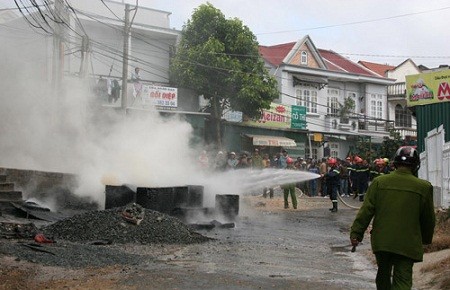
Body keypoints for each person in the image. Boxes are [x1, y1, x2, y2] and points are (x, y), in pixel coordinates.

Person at [350, 146, 435, 290]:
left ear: (394, 163)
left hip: (382, 241)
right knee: (403, 279)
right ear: (415, 165)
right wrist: (426, 239)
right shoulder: (424, 187)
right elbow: (428, 219)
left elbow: (366, 211)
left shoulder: (379, 182)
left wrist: (356, 234)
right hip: (408, 243)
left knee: (383, 274)